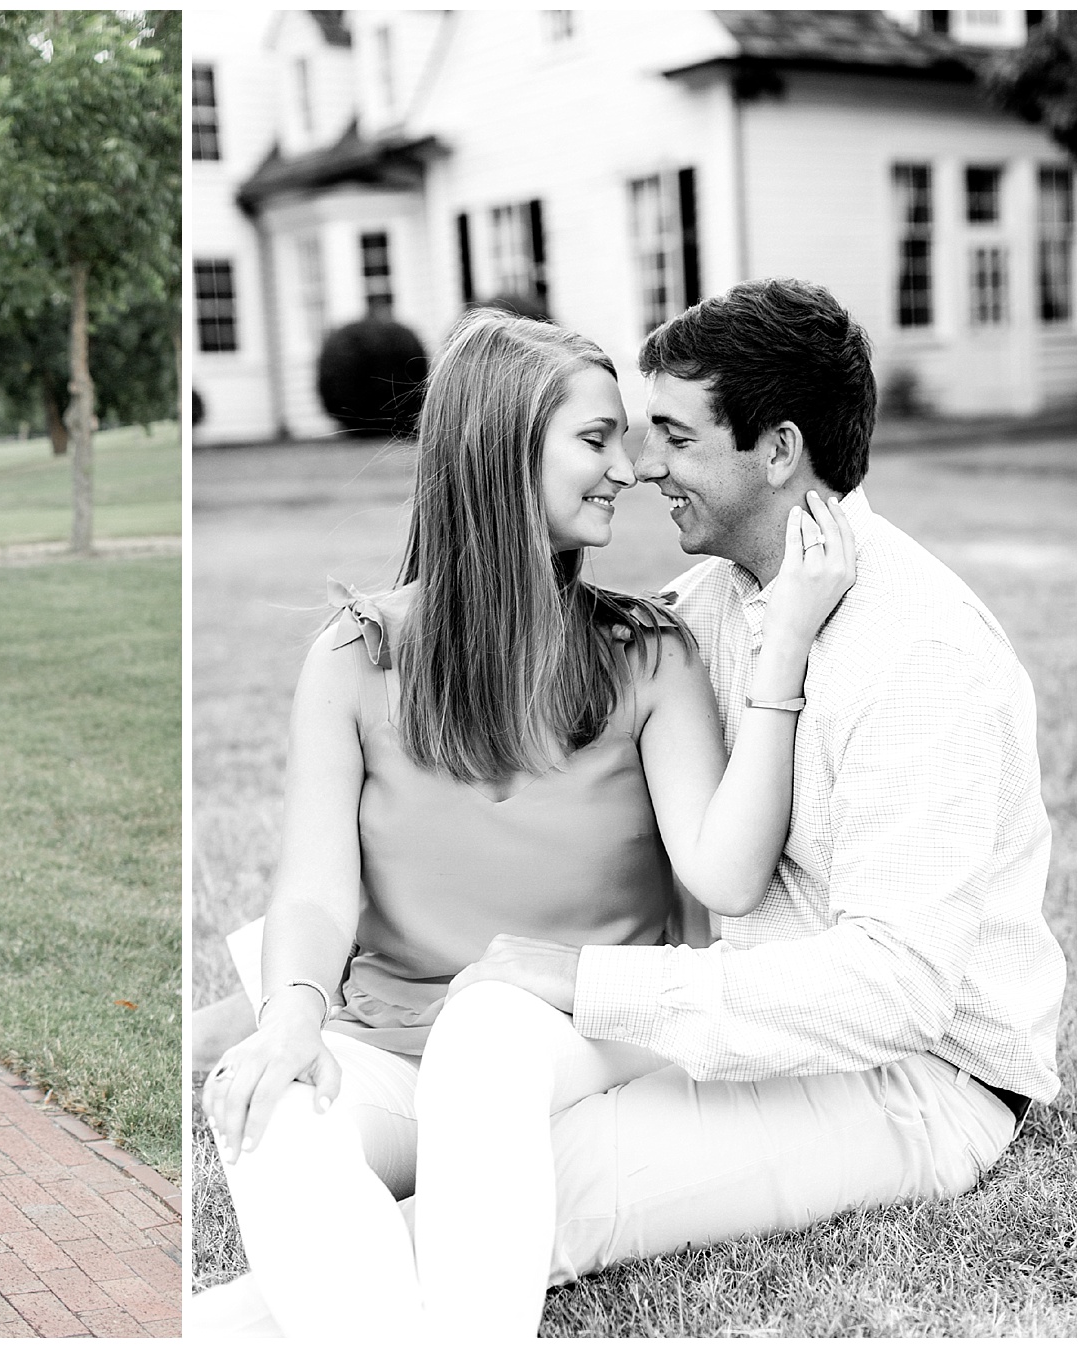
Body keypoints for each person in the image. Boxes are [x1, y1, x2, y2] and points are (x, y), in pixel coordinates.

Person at [197, 308, 857, 1337]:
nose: (628, 468)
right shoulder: (356, 657)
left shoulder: (647, 653)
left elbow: (726, 877)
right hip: (393, 1046)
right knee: (264, 1102)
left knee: (489, 1031)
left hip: (575, 1036)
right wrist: (289, 1015)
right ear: (504, 452)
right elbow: (316, 892)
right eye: (596, 439)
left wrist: (783, 660)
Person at [453, 278, 1064, 1321]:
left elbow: (896, 991)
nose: (644, 465)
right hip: (748, 1018)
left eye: (676, 436)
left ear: (778, 451)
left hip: (921, 1076)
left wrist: (594, 983)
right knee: (468, 1118)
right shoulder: (707, 608)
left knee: (504, 1206)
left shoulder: (922, 651)